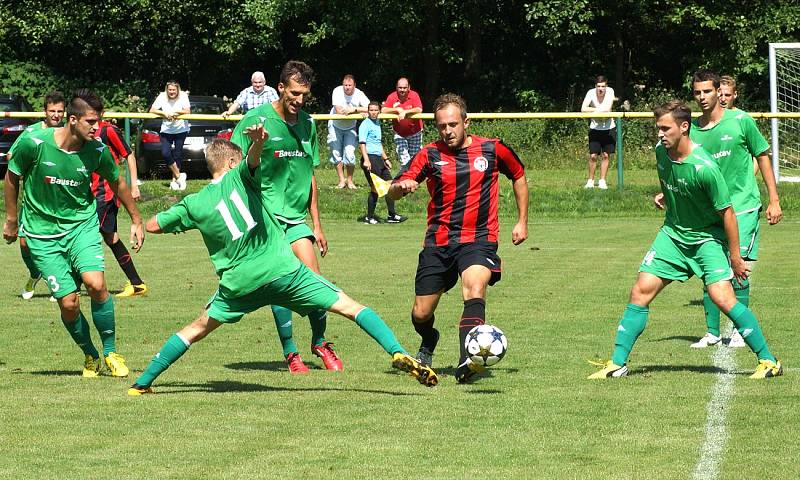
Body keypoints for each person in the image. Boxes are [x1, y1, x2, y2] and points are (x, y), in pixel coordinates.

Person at [127, 131, 438, 395]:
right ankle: (398, 351)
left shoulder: (193, 204)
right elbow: (252, 160)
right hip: (281, 270)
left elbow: (155, 224)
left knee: (195, 329)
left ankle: (143, 382)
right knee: (351, 307)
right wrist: (258, 143)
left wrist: (139, 223)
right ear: (231, 162)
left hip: (239, 284)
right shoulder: (240, 175)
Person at [589, 100, 782, 380]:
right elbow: (673, 182)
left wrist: (736, 257)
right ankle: (617, 363)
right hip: (673, 235)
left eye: (665, 128)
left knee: (722, 298)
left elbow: (727, 213)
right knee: (640, 291)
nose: (660, 133)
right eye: (658, 128)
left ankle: (769, 361)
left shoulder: (704, 167)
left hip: (706, 239)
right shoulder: (660, 152)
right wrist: (666, 196)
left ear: (684, 127)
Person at [388, 93, 529, 384]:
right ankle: (429, 339)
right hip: (438, 242)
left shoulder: (492, 149)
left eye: (453, 124)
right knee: (421, 313)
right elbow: (393, 189)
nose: (447, 131)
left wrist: (522, 221)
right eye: (441, 126)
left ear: (466, 121)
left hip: (479, 238)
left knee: (474, 287)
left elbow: (518, 174)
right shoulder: (429, 154)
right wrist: (401, 187)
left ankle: (468, 358)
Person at [3, 89, 145, 378]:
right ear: (72, 120)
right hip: (42, 235)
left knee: (96, 284)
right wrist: (11, 219)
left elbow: (117, 183)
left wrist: (136, 218)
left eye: (99, 121)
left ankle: (110, 352)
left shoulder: (97, 151)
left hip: (81, 227)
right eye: (91, 121)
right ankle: (90, 355)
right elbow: (12, 175)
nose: (97, 127)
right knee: (68, 302)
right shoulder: (33, 142)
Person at [230, 60, 340, 374]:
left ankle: (319, 342)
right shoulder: (256, 120)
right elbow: (233, 167)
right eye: (294, 93)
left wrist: (316, 224)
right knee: (281, 283)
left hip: (295, 219)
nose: (299, 100)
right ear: (280, 88)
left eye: (304, 94)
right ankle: (291, 352)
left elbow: (310, 177)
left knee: (316, 284)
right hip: (265, 218)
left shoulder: (307, 123)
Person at [682, 70, 782, 349]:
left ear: (719, 92)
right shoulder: (692, 129)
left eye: (707, 92)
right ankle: (712, 332)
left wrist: (773, 200)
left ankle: (740, 331)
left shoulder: (741, 121)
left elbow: (763, 156)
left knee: (739, 268)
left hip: (742, 207)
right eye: (697, 93)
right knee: (711, 270)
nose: (702, 97)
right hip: (709, 212)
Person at [11, 91, 65, 301]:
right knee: (24, 244)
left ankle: (60, 284)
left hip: (59, 201)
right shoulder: (31, 132)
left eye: (60, 111)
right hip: (33, 203)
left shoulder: (67, 133)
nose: (56, 115)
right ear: (45, 111)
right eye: (52, 110)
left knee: (59, 244)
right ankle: (35, 275)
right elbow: (12, 155)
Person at [93, 116, 148, 297]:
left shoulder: (107, 130)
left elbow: (128, 154)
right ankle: (137, 283)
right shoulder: (79, 131)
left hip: (105, 193)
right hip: (89, 194)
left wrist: (134, 185)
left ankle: (73, 286)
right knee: (111, 238)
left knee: (86, 235)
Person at [359, 100, 406, 224]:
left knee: (390, 186)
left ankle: (392, 215)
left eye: (375, 110)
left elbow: (378, 143)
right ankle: (369, 217)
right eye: (371, 110)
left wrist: (386, 159)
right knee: (375, 188)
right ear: (368, 111)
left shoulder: (377, 123)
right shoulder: (365, 124)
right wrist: (366, 160)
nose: (373, 112)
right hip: (370, 158)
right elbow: (362, 144)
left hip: (378, 159)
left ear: (379, 111)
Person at [328, 74, 370, 189]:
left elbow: (371, 108)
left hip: (350, 127)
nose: (347, 87)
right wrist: (359, 112)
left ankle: (350, 181)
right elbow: (338, 110)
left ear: (354, 86)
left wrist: (355, 109)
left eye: (349, 85)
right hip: (335, 125)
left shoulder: (359, 94)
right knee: (336, 154)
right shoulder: (337, 91)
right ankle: (342, 180)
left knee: (350, 155)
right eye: (345, 85)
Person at [149, 80, 190, 190]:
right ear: (167, 90)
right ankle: (179, 176)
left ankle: (174, 182)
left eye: (174, 90)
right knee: (165, 153)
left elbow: (187, 111)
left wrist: (175, 113)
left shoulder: (183, 96)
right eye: (170, 90)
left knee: (177, 155)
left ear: (178, 89)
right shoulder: (162, 96)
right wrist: (165, 113)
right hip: (166, 129)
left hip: (181, 129)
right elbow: (152, 110)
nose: (171, 92)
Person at [580, 75, 616, 189]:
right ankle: (590, 181)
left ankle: (602, 181)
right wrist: (598, 110)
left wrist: (593, 111)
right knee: (593, 155)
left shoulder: (610, 91)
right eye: (599, 86)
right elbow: (583, 109)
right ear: (595, 86)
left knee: (606, 155)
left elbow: (608, 109)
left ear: (606, 86)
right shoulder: (590, 93)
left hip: (609, 128)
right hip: (595, 128)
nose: (601, 88)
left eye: (603, 86)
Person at [382, 77, 423, 174]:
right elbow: (383, 110)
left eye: (404, 88)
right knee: (404, 158)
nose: (402, 90)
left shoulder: (414, 95)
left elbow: (419, 109)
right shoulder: (392, 97)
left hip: (415, 132)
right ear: (396, 87)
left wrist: (405, 112)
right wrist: (397, 110)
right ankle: (406, 178)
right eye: (400, 88)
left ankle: (413, 178)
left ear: (409, 87)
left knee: (415, 159)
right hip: (399, 133)